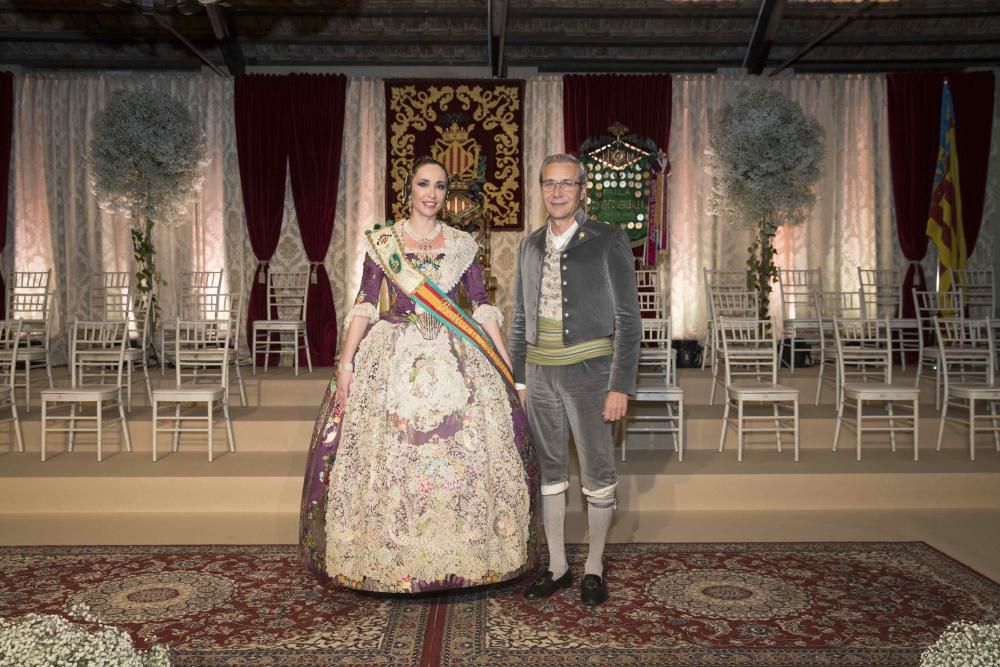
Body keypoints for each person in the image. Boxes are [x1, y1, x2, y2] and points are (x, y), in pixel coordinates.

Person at [300, 156, 537, 593]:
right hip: (393, 354)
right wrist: (346, 363)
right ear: (409, 190)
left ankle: (465, 556)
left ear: (448, 195)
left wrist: (508, 370)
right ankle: (392, 559)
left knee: (464, 456)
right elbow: (365, 304)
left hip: (454, 353)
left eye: (440, 187)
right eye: (424, 185)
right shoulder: (383, 242)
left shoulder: (462, 244)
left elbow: (482, 307)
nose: (431, 194)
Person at [510, 153, 641, 607]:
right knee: (549, 473)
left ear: (583, 189)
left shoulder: (608, 239)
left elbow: (628, 317)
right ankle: (558, 566)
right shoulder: (528, 245)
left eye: (567, 183)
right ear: (541, 188)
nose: (558, 192)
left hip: (590, 374)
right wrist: (520, 379)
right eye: (550, 183)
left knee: (596, 473)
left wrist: (620, 383)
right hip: (540, 376)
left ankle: (594, 567)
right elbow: (520, 318)